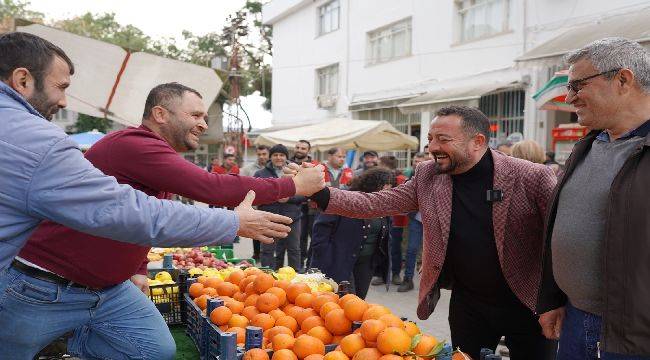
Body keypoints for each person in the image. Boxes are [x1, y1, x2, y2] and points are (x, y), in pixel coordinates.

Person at [0, 32, 296, 358]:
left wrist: (139, 266)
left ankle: (74, 344)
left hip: (109, 289)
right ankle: (67, 340)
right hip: (45, 284)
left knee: (154, 349)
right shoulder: (126, 145)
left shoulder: (149, 154)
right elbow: (142, 208)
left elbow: (138, 212)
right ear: (160, 114)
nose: (201, 124)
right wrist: (292, 188)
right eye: (195, 115)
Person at [300, 105, 558, 359]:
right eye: (430, 139)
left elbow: (561, 240)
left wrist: (555, 301)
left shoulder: (531, 177)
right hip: (469, 304)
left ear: (477, 141)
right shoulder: (429, 175)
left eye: (443, 140)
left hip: (528, 304)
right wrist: (320, 193)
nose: (433, 147)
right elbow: (375, 203)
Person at [537, 37, 650, 359]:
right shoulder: (588, 146)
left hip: (635, 338)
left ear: (623, 80)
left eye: (577, 85)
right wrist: (554, 299)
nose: (569, 97)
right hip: (574, 319)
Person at [309, 167, 395, 299]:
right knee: (344, 299)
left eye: (391, 184)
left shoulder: (383, 203)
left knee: (359, 300)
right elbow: (321, 227)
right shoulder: (347, 197)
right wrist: (323, 253)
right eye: (385, 184)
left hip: (366, 261)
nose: (388, 188)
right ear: (372, 183)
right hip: (340, 258)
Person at [255, 144, 306, 270]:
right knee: (267, 249)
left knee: (294, 249)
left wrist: (290, 198)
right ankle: (267, 275)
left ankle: (296, 277)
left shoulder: (296, 173)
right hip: (268, 217)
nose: (279, 158)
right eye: (275, 155)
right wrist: (272, 196)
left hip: (292, 218)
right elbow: (255, 195)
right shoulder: (261, 173)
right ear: (270, 157)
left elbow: (304, 195)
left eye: (282, 155)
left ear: (286, 157)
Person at [399, 152, 429, 292]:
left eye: (420, 161)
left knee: (432, 253)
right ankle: (408, 279)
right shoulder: (411, 179)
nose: (417, 163)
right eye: (415, 160)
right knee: (411, 249)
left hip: (433, 222)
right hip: (417, 220)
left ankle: (431, 285)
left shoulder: (439, 177)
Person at [241, 144, 272, 260]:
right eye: (259, 154)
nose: (262, 157)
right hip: (254, 205)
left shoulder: (273, 168)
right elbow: (242, 185)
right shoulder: (248, 169)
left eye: (264, 154)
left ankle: (268, 253)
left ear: (269, 155)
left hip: (270, 204)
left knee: (268, 230)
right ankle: (257, 253)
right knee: (256, 229)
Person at [290, 140, 316, 270]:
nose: (299, 150)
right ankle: (299, 266)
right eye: (297, 147)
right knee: (300, 239)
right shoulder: (288, 164)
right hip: (294, 206)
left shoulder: (314, 166)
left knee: (313, 237)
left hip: (311, 208)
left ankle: (309, 266)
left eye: (303, 148)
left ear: (308, 151)